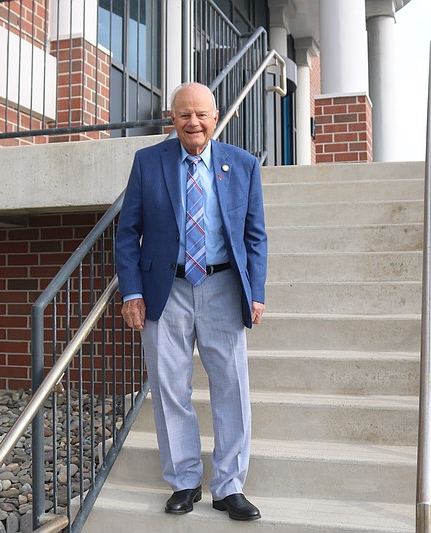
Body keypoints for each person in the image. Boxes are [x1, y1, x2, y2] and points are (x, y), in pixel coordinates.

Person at [115, 82, 267, 521]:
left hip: (223, 288)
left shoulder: (242, 164)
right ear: (172, 119)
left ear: (215, 117)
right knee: (169, 390)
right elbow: (128, 233)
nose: (193, 122)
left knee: (232, 388)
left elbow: (255, 236)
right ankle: (184, 481)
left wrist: (256, 291)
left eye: (200, 114)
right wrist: (132, 291)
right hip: (167, 290)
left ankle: (228, 486)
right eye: (184, 115)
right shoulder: (148, 162)